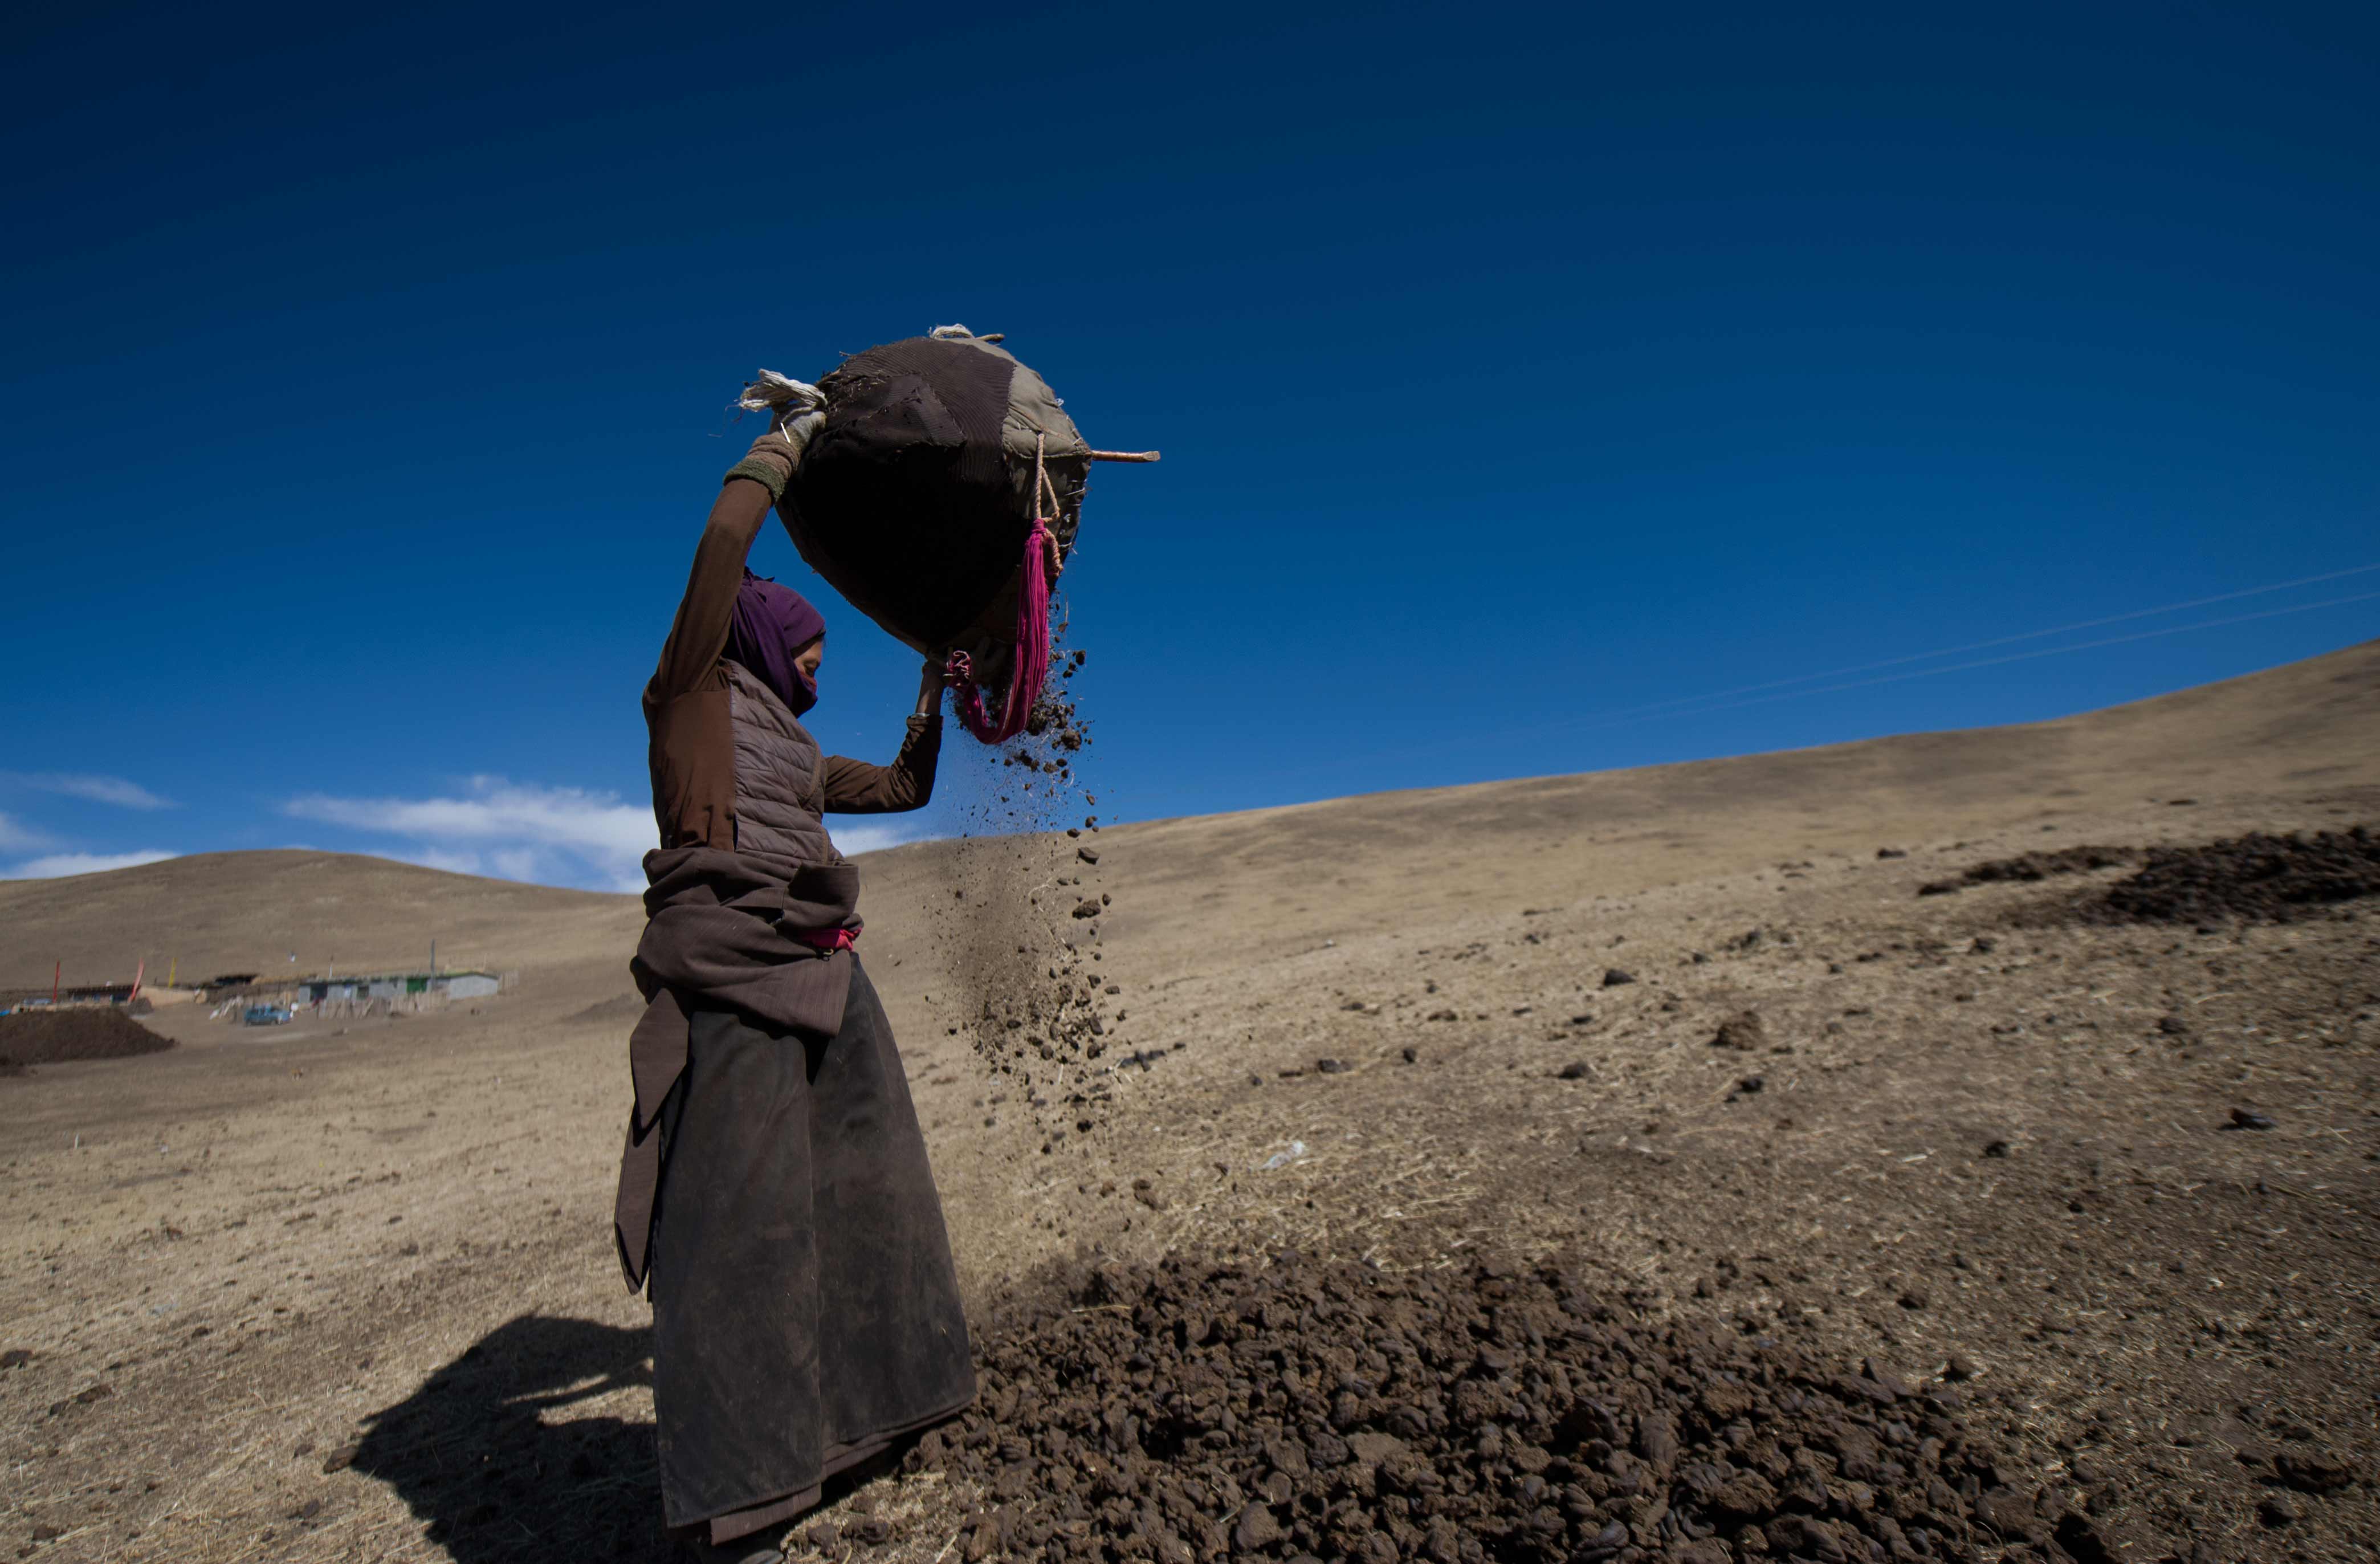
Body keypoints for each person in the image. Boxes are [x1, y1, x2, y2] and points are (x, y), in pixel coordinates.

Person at [612, 418, 976, 1562]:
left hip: (821, 962)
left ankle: (886, 1410)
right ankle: (750, 1490)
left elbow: (908, 785)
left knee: (876, 1179)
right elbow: (723, 548)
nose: (820, 666)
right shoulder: (689, 692)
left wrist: (932, 685)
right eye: (810, 648)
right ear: (761, 633)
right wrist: (781, 449)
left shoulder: (800, 753)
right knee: (740, 1226)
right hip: (731, 965)